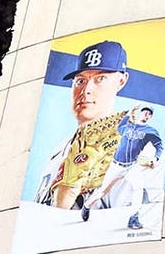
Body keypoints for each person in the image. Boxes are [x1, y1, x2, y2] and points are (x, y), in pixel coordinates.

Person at [34, 41, 136, 211]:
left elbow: (129, 226)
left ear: (121, 81)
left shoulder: (130, 147)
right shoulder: (59, 150)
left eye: (100, 79)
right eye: (80, 80)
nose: (86, 90)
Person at [81, 106, 165, 229]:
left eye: (149, 114)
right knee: (103, 191)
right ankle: (87, 206)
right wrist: (129, 113)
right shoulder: (126, 127)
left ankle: (133, 218)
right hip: (116, 166)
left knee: (138, 189)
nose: (146, 115)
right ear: (140, 114)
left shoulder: (150, 131)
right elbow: (119, 127)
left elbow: (159, 147)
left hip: (132, 167)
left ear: (150, 117)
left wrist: (155, 158)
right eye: (145, 112)